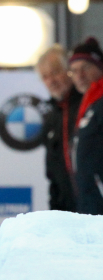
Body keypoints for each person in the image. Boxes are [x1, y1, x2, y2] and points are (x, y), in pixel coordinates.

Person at [36, 45, 81, 212]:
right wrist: (55, 213)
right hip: (66, 211)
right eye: (45, 77)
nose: (51, 81)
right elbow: (53, 174)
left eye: (55, 72)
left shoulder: (89, 105)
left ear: (70, 71)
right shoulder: (52, 115)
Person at [70, 37, 103, 214]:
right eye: (74, 71)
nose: (79, 76)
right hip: (89, 203)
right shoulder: (87, 104)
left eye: (86, 68)